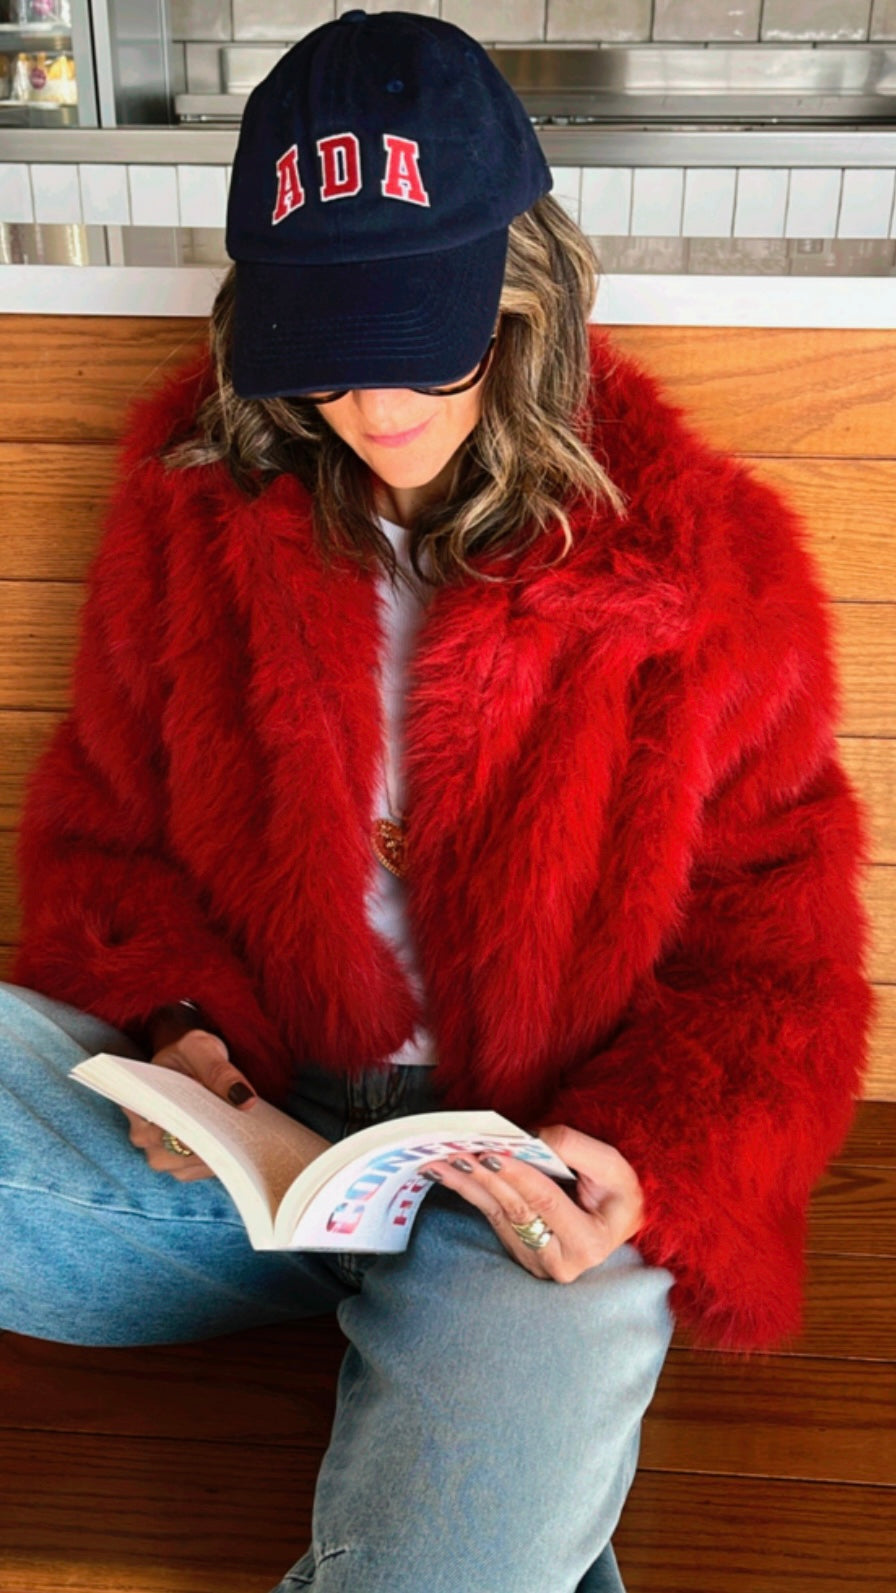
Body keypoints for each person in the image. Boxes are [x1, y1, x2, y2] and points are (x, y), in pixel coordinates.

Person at [1, 10, 871, 1593]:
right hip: (247, 1159)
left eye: (424, 335)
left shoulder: (702, 569)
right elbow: (104, 836)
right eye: (321, 346)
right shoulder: (196, 513)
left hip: (527, 1177)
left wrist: (642, 1162)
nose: (371, 403)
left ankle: (468, 1386)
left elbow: (781, 969)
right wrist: (183, 1034)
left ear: (525, 295)